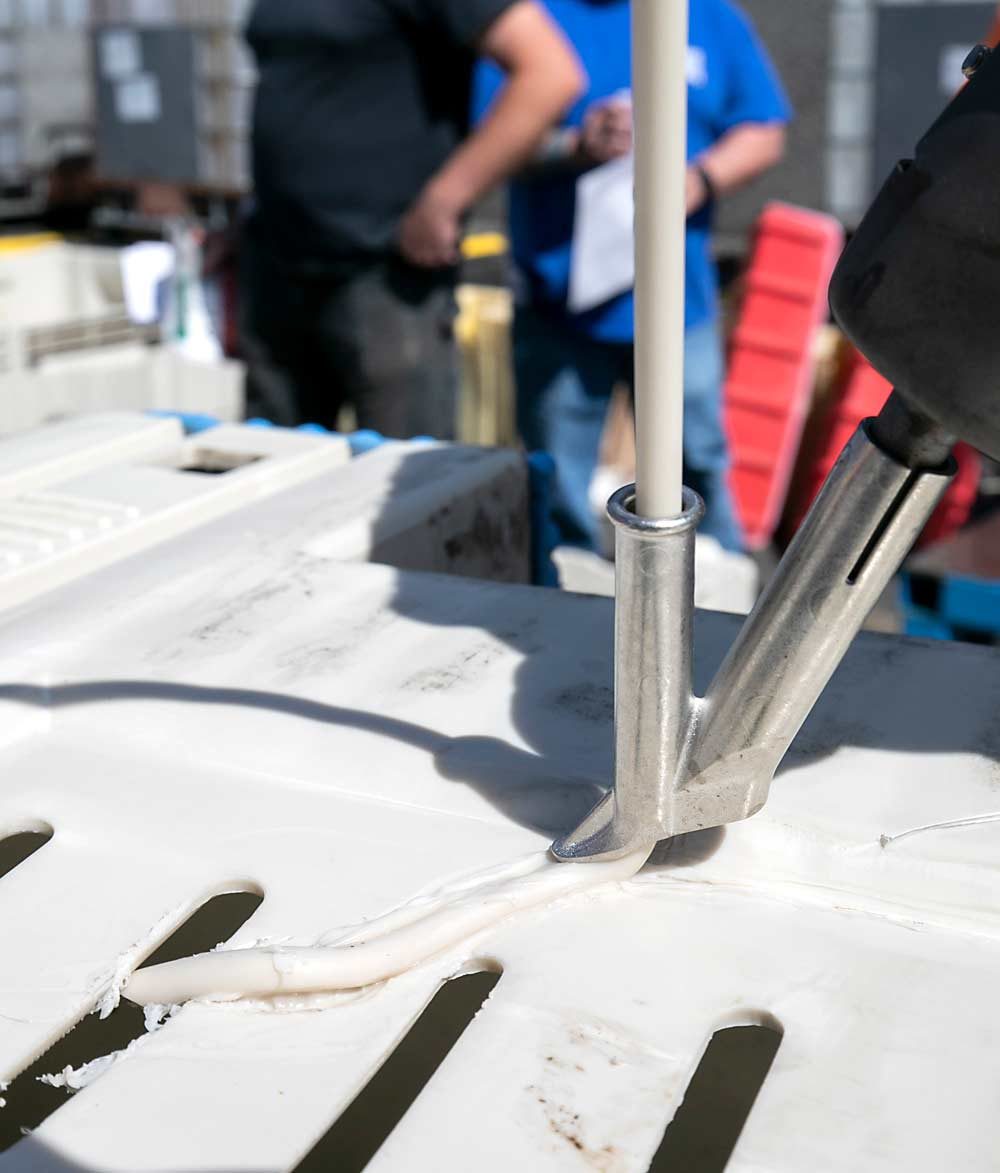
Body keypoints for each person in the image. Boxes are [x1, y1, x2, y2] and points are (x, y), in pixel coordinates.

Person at [474, 0, 790, 550]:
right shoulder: (529, 16)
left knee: (699, 470)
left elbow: (763, 128)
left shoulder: (708, 15)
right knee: (557, 483)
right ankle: (564, 608)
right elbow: (487, 141)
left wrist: (697, 179)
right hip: (560, 306)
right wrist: (576, 145)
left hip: (677, 307)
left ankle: (718, 610)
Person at [241, 1, 584, 440]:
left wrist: (447, 198)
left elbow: (550, 75)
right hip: (276, 263)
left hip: (386, 275)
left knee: (404, 486)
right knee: (273, 476)